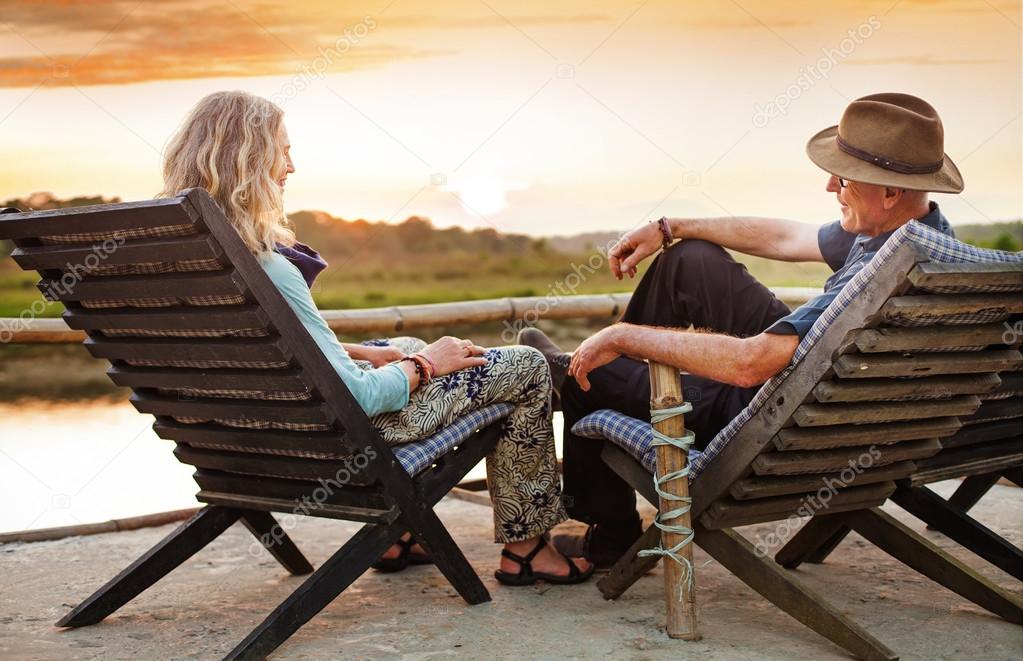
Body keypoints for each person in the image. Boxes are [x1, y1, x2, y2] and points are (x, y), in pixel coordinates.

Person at [160, 90, 593, 585]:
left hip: (244, 442)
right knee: (524, 367)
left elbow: (258, 351)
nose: (292, 166)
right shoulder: (268, 267)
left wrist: (365, 352)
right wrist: (427, 363)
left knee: (399, 347)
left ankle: (397, 534)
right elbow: (363, 398)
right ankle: (526, 549)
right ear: (251, 159)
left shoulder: (187, 260)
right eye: (283, 151)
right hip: (337, 443)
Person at [520, 92, 963, 567]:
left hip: (775, 416)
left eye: (844, 178)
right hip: (827, 397)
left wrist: (619, 338)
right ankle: (619, 376)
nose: (830, 185)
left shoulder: (876, 277)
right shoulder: (924, 238)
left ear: (889, 192)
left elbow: (750, 363)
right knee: (690, 260)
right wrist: (670, 227)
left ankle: (609, 532)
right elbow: (786, 237)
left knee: (575, 371)